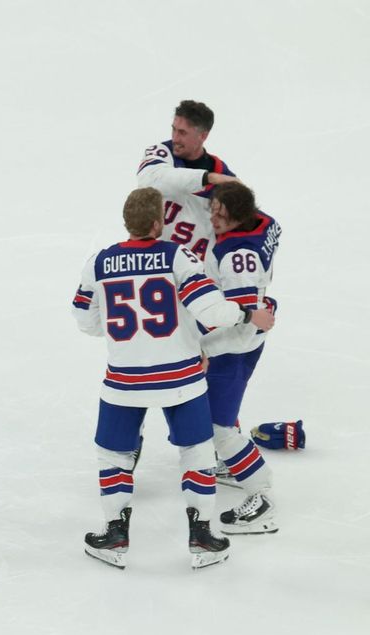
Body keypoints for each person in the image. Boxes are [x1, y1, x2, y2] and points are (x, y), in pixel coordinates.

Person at [71, 188, 274, 569]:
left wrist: (128, 337)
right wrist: (249, 315)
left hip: (124, 380)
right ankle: (203, 536)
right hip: (181, 378)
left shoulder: (99, 261)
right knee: (197, 452)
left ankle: (114, 533)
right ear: (157, 223)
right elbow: (212, 311)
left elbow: (86, 320)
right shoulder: (176, 256)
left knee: (114, 456)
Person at [203, 181, 283, 534]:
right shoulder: (264, 222)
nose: (213, 219)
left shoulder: (238, 259)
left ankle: (260, 495)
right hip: (243, 344)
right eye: (213, 210)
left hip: (233, 348)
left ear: (239, 217)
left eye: (221, 215)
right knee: (220, 416)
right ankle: (232, 463)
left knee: (216, 427)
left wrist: (205, 347)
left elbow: (244, 320)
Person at [135, 100, 239, 262]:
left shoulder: (224, 179)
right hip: (152, 262)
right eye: (174, 129)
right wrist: (206, 178)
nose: (175, 138)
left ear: (203, 136)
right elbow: (150, 180)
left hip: (194, 272)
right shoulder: (162, 153)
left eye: (182, 133)